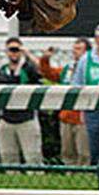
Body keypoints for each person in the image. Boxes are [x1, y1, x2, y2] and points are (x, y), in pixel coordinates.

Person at [0, 37, 43, 166]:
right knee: (8, 159)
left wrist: (28, 55)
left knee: (33, 158)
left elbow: (41, 73)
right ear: (6, 52)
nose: (14, 53)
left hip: (27, 120)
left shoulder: (28, 69)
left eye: (17, 50)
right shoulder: (1, 72)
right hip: (6, 120)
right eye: (11, 50)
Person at [40, 38, 91, 166]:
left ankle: (84, 178)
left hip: (83, 117)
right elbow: (50, 74)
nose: (75, 52)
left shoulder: (91, 69)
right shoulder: (68, 69)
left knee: (84, 153)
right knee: (67, 152)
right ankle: (70, 178)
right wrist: (45, 59)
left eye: (79, 49)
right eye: (74, 49)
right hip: (66, 116)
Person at [72, 23, 99, 166]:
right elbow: (77, 85)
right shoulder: (85, 59)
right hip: (93, 111)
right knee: (96, 150)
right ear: (96, 39)